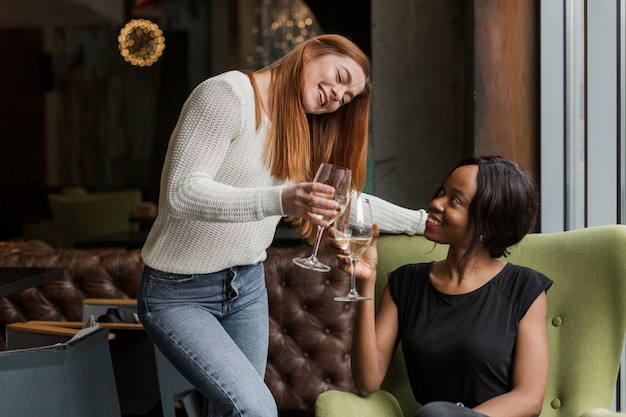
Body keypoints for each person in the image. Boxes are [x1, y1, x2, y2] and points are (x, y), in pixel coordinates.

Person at [137, 34, 427, 417]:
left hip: (247, 288)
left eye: (347, 97)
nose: (338, 96)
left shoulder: (297, 128)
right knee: (256, 410)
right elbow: (181, 193)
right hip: (178, 293)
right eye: (339, 77)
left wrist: (425, 221)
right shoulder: (227, 95)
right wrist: (281, 199)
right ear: (312, 50)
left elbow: (347, 203)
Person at [333, 156, 553, 417]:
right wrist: (366, 281)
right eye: (442, 192)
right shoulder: (405, 284)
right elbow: (367, 382)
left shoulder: (524, 288)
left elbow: (529, 398)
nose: (435, 203)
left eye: (455, 200)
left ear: (487, 221)